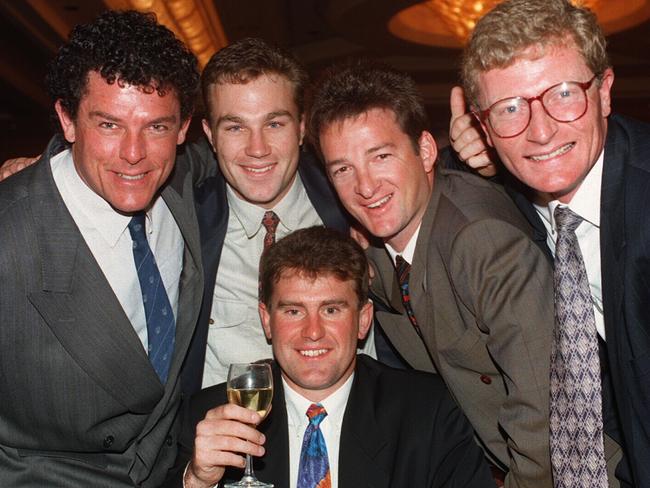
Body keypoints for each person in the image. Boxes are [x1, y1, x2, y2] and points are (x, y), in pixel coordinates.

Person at [308, 60, 556, 487]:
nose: (365, 187)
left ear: (425, 151)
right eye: (343, 169)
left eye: (380, 156)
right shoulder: (383, 246)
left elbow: (546, 420)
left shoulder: (482, 241)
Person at [0, 11, 203, 487]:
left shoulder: (183, 188)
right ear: (67, 120)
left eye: (155, 127)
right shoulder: (11, 240)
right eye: (109, 125)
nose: (134, 154)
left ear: (183, 129)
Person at [450, 0, 647, 485]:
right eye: (511, 108)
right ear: (483, 127)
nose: (540, 131)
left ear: (604, 92)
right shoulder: (508, 202)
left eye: (563, 94)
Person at [165, 226, 495, 488]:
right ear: (267, 320)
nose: (313, 332)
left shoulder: (428, 413)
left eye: (332, 309)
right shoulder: (212, 416)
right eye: (293, 311)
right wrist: (197, 481)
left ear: (363, 319)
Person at [181, 38, 382, 395]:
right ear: (210, 135)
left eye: (274, 124)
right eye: (235, 127)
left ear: (302, 127)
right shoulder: (183, 219)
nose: (257, 149)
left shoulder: (353, 200)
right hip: (226, 436)